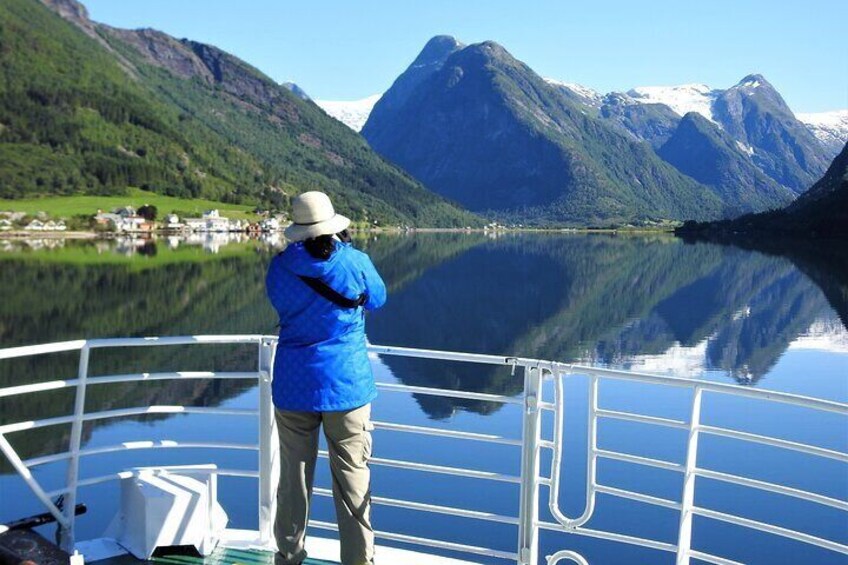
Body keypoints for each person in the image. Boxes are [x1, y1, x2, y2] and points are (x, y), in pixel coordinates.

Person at [265, 191, 387, 565]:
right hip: (346, 387)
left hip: (294, 385)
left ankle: (289, 555)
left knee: (293, 480)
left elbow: (279, 302)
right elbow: (378, 299)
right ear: (333, 225)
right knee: (353, 479)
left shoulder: (280, 267)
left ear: (298, 229)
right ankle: (358, 559)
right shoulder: (355, 261)